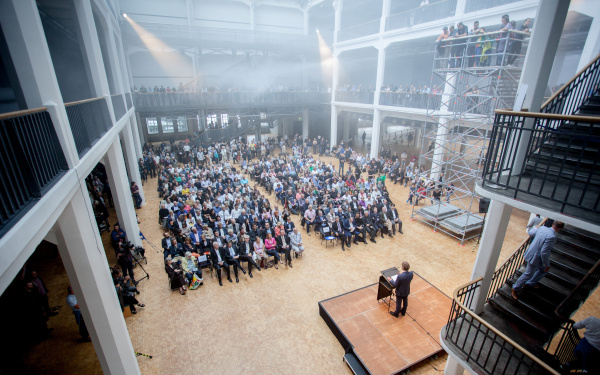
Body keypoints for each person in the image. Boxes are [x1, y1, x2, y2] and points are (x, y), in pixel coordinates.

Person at [512, 221, 565, 300]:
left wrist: (535, 228)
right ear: (561, 228)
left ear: (553, 223)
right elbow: (544, 252)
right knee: (528, 274)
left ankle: (530, 283)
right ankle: (515, 288)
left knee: (544, 270)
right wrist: (546, 264)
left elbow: (531, 233)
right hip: (535, 257)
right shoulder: (552, 237)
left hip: (532, 254)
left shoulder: (542, 228)